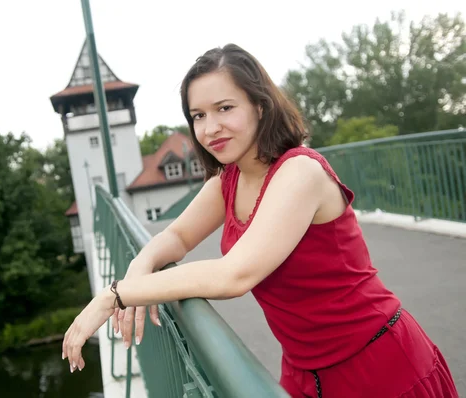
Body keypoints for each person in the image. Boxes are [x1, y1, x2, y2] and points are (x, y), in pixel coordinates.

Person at [62, 44, 459, 398]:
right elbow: (178, 235)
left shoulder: (298, 171)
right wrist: (139, 265)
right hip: (304, 371)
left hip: (377, 363)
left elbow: (234, 275)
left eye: (225, 108)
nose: (210, 127)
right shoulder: (229, 179)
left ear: (261, 105)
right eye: (198, 115)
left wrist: (115, 295)